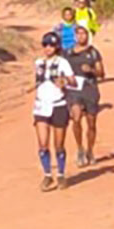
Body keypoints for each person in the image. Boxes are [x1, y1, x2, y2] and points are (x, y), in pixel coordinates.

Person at [33, 31, 76, 191]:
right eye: (45, 44)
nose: (48, 48)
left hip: (58, 105)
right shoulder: (38, 63)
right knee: (43, 144)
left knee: (59, 144)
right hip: (41, 106)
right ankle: (47, 175)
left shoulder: (63, 63)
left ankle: (61, 174)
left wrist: (64, 82)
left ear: (57, 46)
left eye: (51, 45)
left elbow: (72, 81)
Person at [64, 22, 105, 167]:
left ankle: (90, 150)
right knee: (76, 119)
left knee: (91, 123)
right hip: (73, 90)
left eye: (84, 34)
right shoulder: (68, 53)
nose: (81, 36)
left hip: (90, 89)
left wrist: (91, 70)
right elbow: (61, 69)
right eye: (79, 34)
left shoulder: (93, 52)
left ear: (88, 36)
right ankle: (80, 148)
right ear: (75, 36)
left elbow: (101, 73)